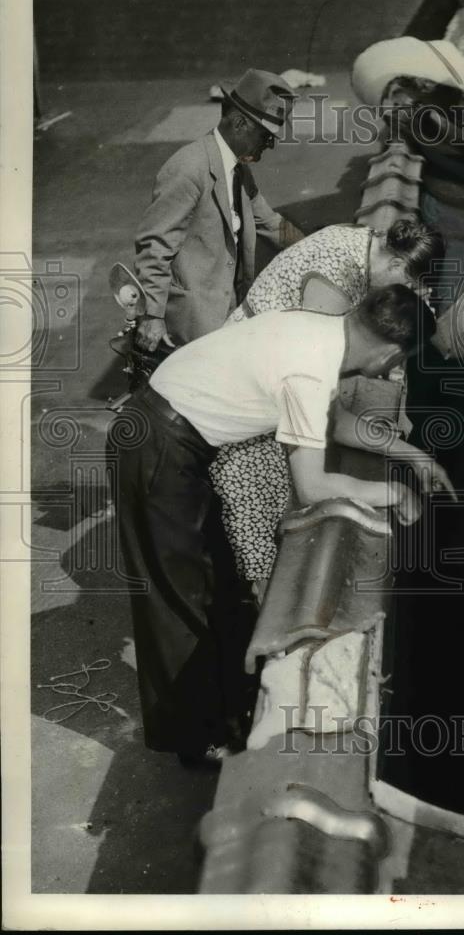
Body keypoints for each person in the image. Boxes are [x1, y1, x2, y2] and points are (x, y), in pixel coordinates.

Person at [107, 284, 434, 768]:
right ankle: (195, 740)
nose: (393, 371)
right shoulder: (311, 367)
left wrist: (407, 452)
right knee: (179, 601)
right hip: (158, 446)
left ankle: (228, 707)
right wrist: (391, 491)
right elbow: (313, 486)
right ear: (389, 350)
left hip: (175, 443)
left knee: (216, 582)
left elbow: (335, 422)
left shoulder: (319, 332)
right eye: (399, 360)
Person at [209, 218, 454, 589]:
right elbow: (324, 415)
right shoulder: (333, 281)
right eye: (407, 286)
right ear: (394, 265)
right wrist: (397, 484)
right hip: (245, 400)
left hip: (259, 380)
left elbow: (325, 407)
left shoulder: (362, 244)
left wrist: (413, 456)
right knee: (261, 546)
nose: (404, 299)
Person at [132, 67, 304, 352]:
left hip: (229, 310)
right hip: (192, 323)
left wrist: (316, 247)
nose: (270, 146)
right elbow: (155, 246)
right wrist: (152, 315)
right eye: (266, 136)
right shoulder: (188, 168)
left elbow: (271, 223)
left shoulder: (238, 169)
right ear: (239, 123)